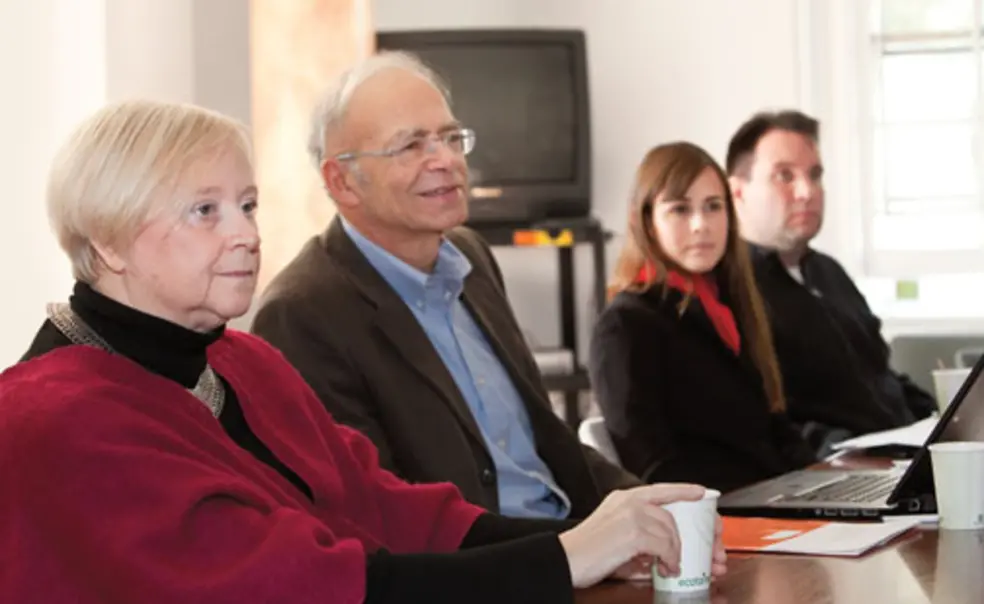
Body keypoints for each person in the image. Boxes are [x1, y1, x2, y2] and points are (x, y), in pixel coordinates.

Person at [0, 100, 727, 602]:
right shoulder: (51, 420)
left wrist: (597, 540)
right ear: (105, 242)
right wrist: (565, 559)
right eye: (204, 211)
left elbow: (387, 509)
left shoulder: (241, 362)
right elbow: (295, 588)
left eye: (248, 205)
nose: (247, 236)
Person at [251, 51, 639, 520]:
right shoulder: (302, 314)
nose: (447, 161)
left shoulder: (470, 256)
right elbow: (381, 518)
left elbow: (546, 440)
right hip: (486, 572)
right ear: (342, 181)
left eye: (451, 137)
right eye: (411, 146)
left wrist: (651, 504)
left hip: (574, 546)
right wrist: (568, 553)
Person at [589, 142, 815, 493]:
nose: (701, 225)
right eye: (680, 210)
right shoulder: (626, 326)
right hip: (717, 520)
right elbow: (652, 469)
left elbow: (774, 428)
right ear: (646, 222)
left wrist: (819, 483)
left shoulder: (730, 305)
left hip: (773, 502)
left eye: (713, 207)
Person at [726, 110, 936, 454]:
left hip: (903, 455)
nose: (807, 191)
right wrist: (847, 452)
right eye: (784, 175)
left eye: (815, 175)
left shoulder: (829, 272)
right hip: (834, 470)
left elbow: (881, 376)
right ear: (738, 192)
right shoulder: (732, 290)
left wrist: (942, 422)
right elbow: (761, 420)